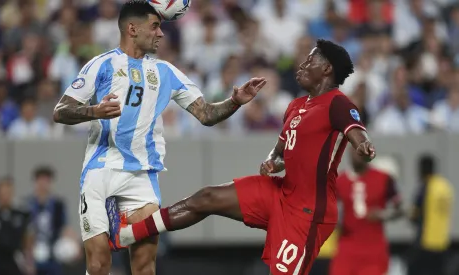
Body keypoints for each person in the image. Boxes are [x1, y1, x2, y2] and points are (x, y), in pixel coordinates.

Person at [108, 39, 376, 275]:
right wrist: (273, 160)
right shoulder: (296, 106)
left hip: (308, 211)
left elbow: (357, 135)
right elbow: (281, 151)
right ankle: (127, 234)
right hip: (282, 192)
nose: (302, 65)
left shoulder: (338, 103)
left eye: (310, 60)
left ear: (327, 69)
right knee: (207, 198)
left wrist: (364, 146)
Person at [52, 1, 267, 275]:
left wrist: (235, 102)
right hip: (100, 170)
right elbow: (61, 111)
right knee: (97, 265)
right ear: (132, 29)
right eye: (155, 26)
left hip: (141, 175)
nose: (161, 34)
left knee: (144, 265)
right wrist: (94, 111)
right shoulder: (102, 65)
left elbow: (206, 114)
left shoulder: (165, 72)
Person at [330, 147, 403, 275]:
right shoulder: (339, 181)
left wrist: (383, 214)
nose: (357, 154)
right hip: (347, 248)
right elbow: (330, 210)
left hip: (373, 251)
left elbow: (399, 209)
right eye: (354, 149)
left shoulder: (384, 178)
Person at [407, 155, 454, 275]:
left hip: (425, 243)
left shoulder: (425, 187)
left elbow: (414, 214)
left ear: (421, 169)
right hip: (442, 242)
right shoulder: (445, 186)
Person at [27, 166, 68, 275]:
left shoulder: (58, 204)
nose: (43, 184)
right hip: (33, 249)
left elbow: (64, 227)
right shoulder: (28, 205)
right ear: (36, 182)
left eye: (46, 181)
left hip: (52, 249)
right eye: (41, 181)